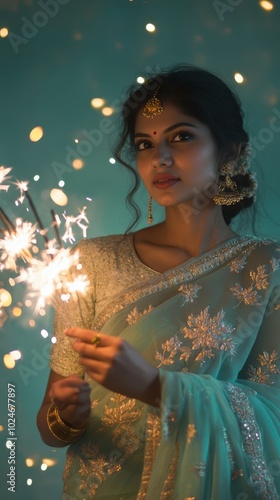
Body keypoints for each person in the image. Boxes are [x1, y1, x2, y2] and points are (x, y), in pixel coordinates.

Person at [37, 64, 280, 499]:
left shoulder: (267, 268)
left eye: (181, 137)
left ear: (230, 151)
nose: (160, 159)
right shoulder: (88, 264)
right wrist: (65, 417)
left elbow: (271, 418)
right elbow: (50, 428)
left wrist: (155, 387)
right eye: (145, 145)